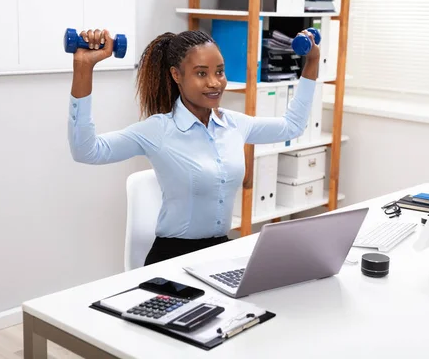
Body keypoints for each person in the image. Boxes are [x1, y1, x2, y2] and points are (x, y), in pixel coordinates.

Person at [68, 27, 320, 266]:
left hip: (220, 252)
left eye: (219, 72)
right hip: (172, 259)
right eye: (201, 73)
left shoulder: (234, 124)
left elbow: (292, 127)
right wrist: (83, 68)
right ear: (176, 75)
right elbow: (86, 150)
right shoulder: (158, 130)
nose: (214, 83)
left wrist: (312, 63)